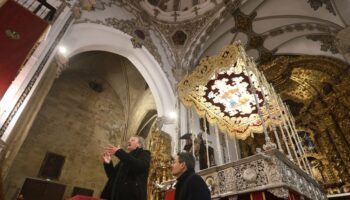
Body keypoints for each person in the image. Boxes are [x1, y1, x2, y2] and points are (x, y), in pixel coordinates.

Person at [100, 136, 151, 200]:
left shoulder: (144, 154)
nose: (129, 141)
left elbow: (140, 165)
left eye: (132, 140)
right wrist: (108, 163)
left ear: (139, 144)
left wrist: (119, 152)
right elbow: (112, 176)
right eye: (129, 140)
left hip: (130, 195)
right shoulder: (125, 158)